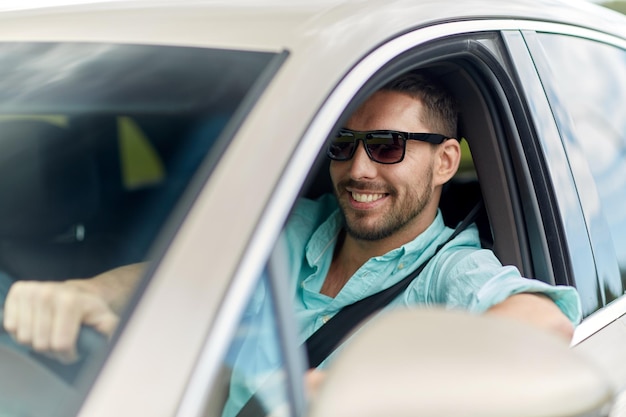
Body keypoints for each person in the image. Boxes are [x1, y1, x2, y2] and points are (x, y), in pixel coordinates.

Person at [2, 70, 580, 372]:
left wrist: (382, 390)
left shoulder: (452, 271)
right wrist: (84, 292)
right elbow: (183, 274)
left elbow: (543, 322)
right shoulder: (299, 224)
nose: (357, 170)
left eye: (386, 147)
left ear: (445, 162)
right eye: (345, 144)